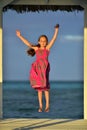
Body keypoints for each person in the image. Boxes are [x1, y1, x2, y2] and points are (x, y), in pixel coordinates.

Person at [16, 24, 59, 112]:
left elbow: (54, 39)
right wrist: (20, 36)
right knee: (39, 89)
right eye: (41, 41)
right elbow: (27, 43)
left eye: (45, 41)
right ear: (39, 42)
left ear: (46, 42)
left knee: (46, 88)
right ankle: (40, 106)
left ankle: (47, 106)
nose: (43, 42)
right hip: (37, 69)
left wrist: (56, 30)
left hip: (45, 69)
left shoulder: (47, 49)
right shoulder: (36, 49)